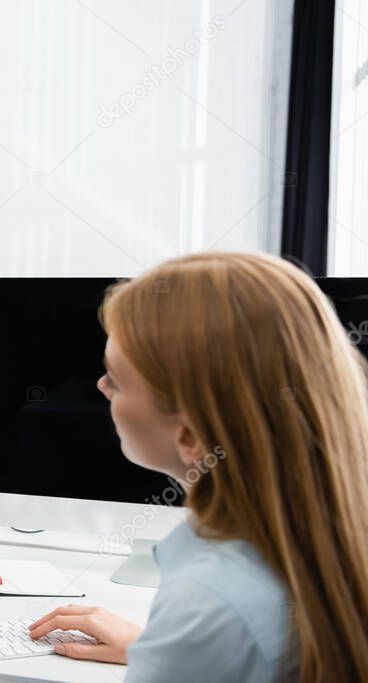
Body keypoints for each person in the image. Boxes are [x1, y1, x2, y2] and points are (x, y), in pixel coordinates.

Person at [27, 252, 368, 682]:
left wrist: (185, 648)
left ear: (190, 438)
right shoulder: (319, 551)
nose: (101, 386)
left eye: (115, 377)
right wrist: (161, 650)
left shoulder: (209, 605)